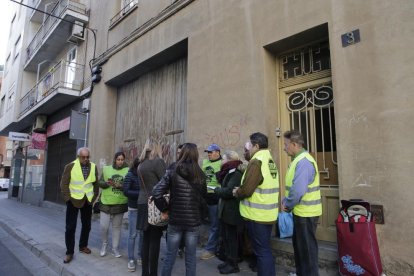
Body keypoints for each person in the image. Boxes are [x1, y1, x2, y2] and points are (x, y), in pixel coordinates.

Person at [152, 143, 207, 276]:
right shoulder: (200, 174)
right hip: (193, 221)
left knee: (170, 255)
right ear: (196, 154)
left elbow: (156, 192)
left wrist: (165, 210)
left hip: (175, 219)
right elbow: (203, 199)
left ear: (182, 153)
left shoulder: (172, 170)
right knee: (191, 257)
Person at [233, 132, 279, 276]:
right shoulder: (269, 159)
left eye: (250, 145)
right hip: (267, 214)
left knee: (261, 252)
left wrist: (237, 192)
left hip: (257, 216)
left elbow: (247, 189)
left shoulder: (257, 161)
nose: (249, 148)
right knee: (265, 250)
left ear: (256, 146)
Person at [281, 130, 322, 276]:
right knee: (301, 249)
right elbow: (293, 187)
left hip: (306, 214)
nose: (284, 148)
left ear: (293, 144)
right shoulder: (298, 161)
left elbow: (298, 190)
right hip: (302, 212)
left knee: (307, 251)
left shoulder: (304, 162)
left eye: (286, 145)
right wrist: (286, 200)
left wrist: (288, 204)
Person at [60, 147, 99, 264]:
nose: (86, 159)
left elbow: (95, 184)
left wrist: (93, 198)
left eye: (88, 157)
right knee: (70, 227)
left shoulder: (93, 166)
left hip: (87, 200)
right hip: (73, 200)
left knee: (87, 225)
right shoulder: (70, 166)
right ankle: (69, 252)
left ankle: (83, 246)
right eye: (83, 157)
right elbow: (64, 184)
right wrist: (68, 199)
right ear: (78, 157)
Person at [136, 138, 167, 276]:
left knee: (145, 239)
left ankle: (145, 273)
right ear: (157, 147)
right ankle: (153, 273)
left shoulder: (141, 164)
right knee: (154, 240)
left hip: (142, 202)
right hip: (155, 203)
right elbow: (165, 183)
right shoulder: (158, 162)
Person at [214, 150, 243, 274]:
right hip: (226, 211)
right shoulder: (228, 171)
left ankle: (233, 265)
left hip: (232, 212)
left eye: (223, 159)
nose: (222, 161)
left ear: (229, 160)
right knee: (226, 237)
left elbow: (229, 191)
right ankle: (228, 261)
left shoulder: (235, 173)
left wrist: (217, 190)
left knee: (232, 239)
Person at [99, 152, 129, 258]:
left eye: (122, 159)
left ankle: (115, 248)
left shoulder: (128, 170)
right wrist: (107, 183)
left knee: (117, 227)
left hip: (120, 203)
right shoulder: (106, 169)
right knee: (104, 226)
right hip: (105, 202)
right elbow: (100, 182)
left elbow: (128, 185)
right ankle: (104, 245)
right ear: (115, 159)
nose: (120, 161)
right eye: (118, 159)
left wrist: (120, 186)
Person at [200, 143, 222, 260]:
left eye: (210, 152)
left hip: (216, 198)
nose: (208, 154)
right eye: (207, 152)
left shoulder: (222, 163)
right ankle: (214, 246)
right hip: (206, 197)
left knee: (215, 225)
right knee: (210, 224)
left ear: (217, 152)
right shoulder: (205, 163)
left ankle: (210, 249)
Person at [123, 156, 142, 272]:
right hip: (134, 208)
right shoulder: (130, 175)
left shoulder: (145, 174)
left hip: (144, 208)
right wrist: (141, 193)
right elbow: (126, 191)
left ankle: (140, 256)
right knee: (133, 234)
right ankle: (131, 259)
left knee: (143, 234)